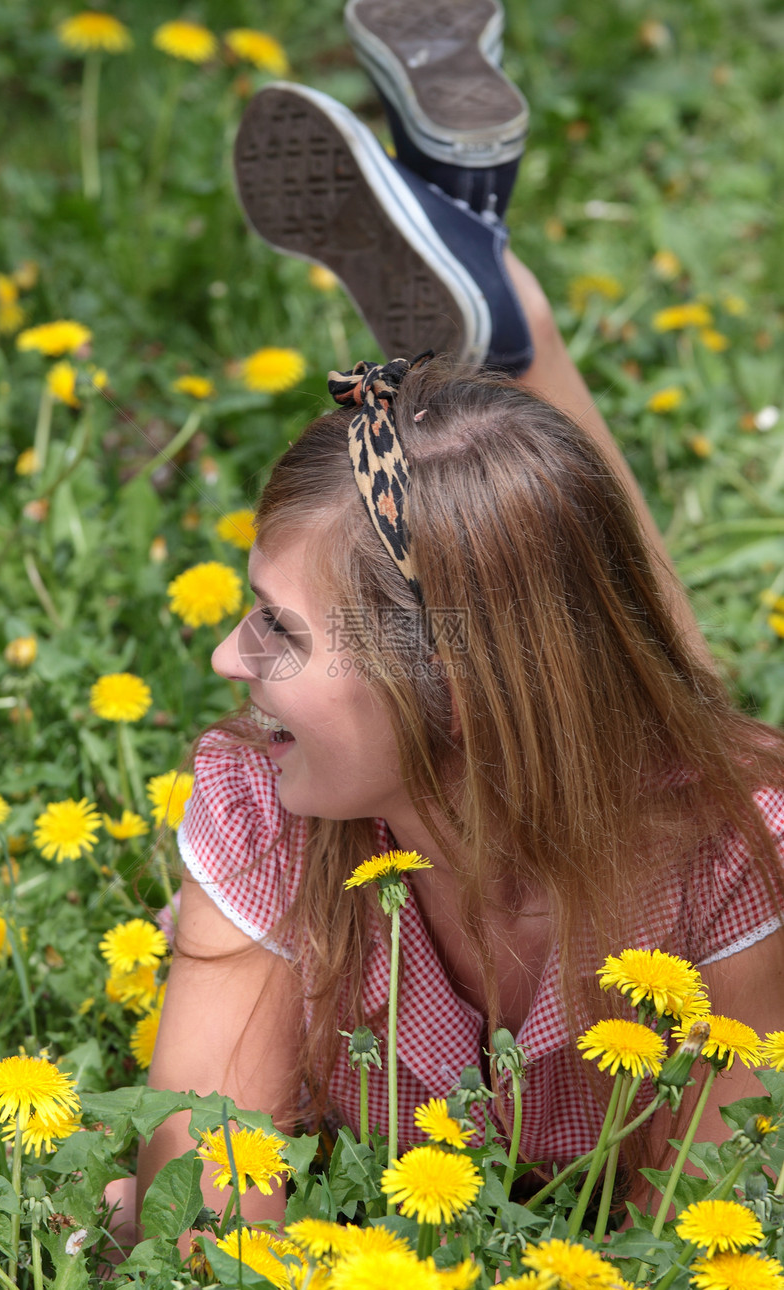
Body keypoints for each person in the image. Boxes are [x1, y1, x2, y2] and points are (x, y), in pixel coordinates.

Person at [136, 0, 784, 1236]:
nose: (224, 658)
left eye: (276, 628)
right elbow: (205, 1231)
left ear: (447, 683)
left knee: (672, 726)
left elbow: (689, 1238)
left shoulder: (729, 863)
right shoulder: (262, 816)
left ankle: (500, 305)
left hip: (666, 810)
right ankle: (492, 294)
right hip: (556, 738)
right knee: (614, 650)